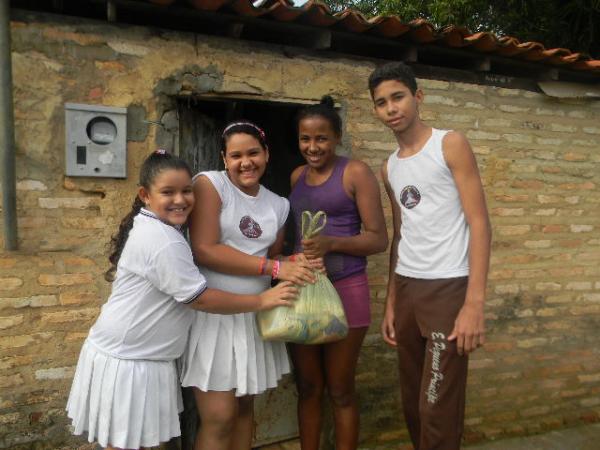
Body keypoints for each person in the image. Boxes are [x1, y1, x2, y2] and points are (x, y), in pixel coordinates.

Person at [66, 151, 297, 450]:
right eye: (168, 192)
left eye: (186, 191)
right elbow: (198, 299)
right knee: (125, 445)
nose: (180, 199)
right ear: (145, 195)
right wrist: (262, 301)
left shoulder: (162, 230)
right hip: (130, 359)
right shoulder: (163, 241)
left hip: (139, 354)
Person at [370, 62, 492, 450]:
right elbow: (402, 234)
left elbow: (479, 223)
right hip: (407, 289)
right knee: (413, 404)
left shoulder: (449, 144)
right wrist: (391, 302)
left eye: (398, 97)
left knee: (437, 406)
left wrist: (474, 303)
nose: (391, 108)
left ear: (417, 96)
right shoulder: (389, 167)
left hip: (448, 288)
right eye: (381, 102)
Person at [179, 122, 316, 450]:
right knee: (219, 416)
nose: (246, 162)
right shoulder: (210, 185)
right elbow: (205, 249)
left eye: (253, 153)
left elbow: (273, 258)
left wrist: (298, 264)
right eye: (236, 155)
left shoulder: (278, 205)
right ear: (224, 159)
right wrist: (274, 266)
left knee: (243, 410)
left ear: (266, 154)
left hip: (256, 314)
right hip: (216, 314)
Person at [287, 96, 388, 450]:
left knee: (341, 389)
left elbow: (379, 239)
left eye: (321, 139)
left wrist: (331, 244)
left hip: (347, 291)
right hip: (304, 292)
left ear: (337, 137)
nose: (312, 147)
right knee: (309, 387)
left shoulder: (355, 172)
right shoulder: (297, 176)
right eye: (305, 139)